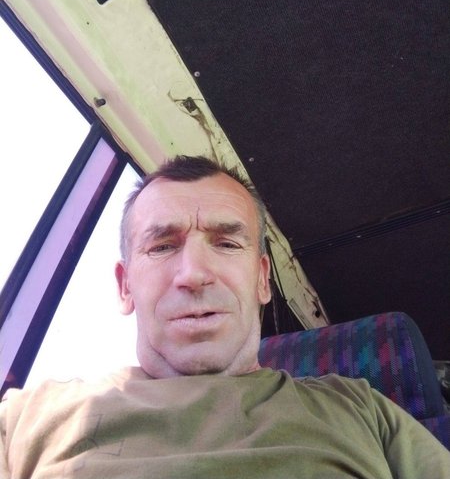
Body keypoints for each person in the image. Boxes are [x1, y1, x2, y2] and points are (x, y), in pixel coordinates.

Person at [0, 155, 448, 478]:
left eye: (228, 243)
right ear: (125, 286)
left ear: (262, 279)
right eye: (162, 246)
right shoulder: (27, 418)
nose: (194, 274)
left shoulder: (362, 409)